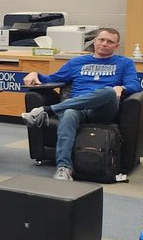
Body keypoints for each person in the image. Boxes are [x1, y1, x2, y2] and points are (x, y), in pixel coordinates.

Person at [23, 27, 141, 180]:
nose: (104, 44)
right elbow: (52, 78)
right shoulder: (77, 62)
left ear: (116, 46)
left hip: (104, 110)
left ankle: (47, 110)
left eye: (110, 41)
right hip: (78, 108)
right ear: (95, 41)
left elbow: (135, 85)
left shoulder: (125, 63)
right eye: (101, 40)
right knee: (69, 114)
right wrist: (34, 74)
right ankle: (64, 167)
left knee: (108, 92)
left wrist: (121, 88)